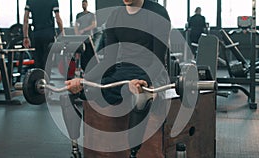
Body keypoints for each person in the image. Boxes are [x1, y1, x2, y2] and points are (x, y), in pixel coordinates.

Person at [65, 0, 171, 157]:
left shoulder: (158, 13)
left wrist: (145, 82)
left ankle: (133, 153)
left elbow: (158, 61)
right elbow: (109, 61)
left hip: (152, 72)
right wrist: (83, 80)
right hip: (123, 72)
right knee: (75, 91)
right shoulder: (115, 16)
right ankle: (75, 149)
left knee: (141, 96)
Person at [23, 0, 65, 70]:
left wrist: (25, 37)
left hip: (37, 34)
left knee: (38, 64)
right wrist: (63, 33)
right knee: (48, 62)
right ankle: (46, 79)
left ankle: (39, 79)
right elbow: (58, 19)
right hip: (48, 34)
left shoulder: (30, 1)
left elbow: (25, 19)